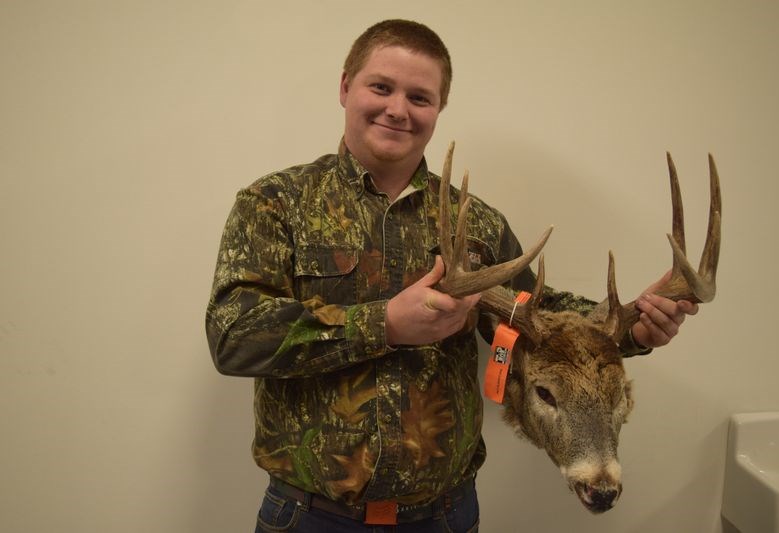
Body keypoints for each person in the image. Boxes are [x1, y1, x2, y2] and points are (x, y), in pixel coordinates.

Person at [205, 19, 698, 533]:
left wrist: (633, 328)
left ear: (439, 107)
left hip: (442, 516)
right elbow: (233, 338)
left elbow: (538, 317)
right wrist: (385, 324)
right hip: (310, 515)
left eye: (420, 96)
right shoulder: (275, 204)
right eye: (381, 87)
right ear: (346, 86)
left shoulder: (477, 222)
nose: (398, 108)